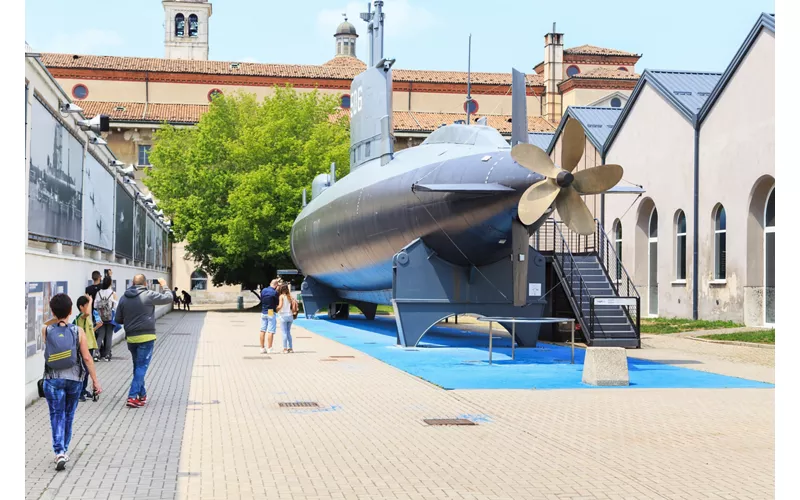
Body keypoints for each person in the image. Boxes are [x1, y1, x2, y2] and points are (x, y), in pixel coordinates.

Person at [42, 293, 102, 471]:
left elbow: (48, 324)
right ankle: (64, 449)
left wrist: (56, 318)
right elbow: (87, 358)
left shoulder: (46, 330)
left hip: (52, 380)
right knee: (68, 414)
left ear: (52, 310)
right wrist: (95, 381)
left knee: (56, 414)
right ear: (70, 311)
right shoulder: (78, 331)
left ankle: (59, 451)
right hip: (74, 380)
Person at [115, 274, 173, 408]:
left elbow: (118, 319)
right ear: (145, 284)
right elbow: (169, 298)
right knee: (141, 367)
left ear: (132, 284)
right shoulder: (148, 294)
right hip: (146, 337)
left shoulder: (124, 298)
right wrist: (164, 284)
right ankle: (131, 396)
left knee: (137, 367)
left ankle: (142, 395)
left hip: (131, 337)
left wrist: (130, 320)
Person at [73, 295, 100, 401]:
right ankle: (79, 392)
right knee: (84, 370)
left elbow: (89, 331)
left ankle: (83, 390)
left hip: (90, 346)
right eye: (87, 305)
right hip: (85, 347)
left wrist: (97, 327)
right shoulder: (81, 317)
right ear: (81, 307)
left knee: (87, 370)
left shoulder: (87, 319)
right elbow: (87, 312)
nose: (89, 307)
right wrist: (91, 300)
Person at [94, 276, 117, 362]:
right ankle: (107, 355)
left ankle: (96, 354)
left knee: (100, 336)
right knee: (109, 336)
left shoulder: (99, 293)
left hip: (100, 318)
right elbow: (114, 306)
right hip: (110, 318)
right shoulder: (112, 293)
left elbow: (95, 306)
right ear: (110, 283)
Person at [259, 279, 280, 354]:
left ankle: (262, 348)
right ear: (276, 285)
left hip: (263, 310)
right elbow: (277, 303)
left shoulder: (264, 290)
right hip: (270, 311)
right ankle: (270, 348)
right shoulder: (275, 292)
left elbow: (261, 299)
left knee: (262, 330)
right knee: (271, 330)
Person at [276, 284, 298, 353]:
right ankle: (290, 348)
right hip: (290, 316)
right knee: (288, 332)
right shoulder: (290, 297)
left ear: (281, 289)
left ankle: (285, 349)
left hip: (283, 316)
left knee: (284, 333)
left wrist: (276, 309)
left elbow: (280, 306)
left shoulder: (281, 296)